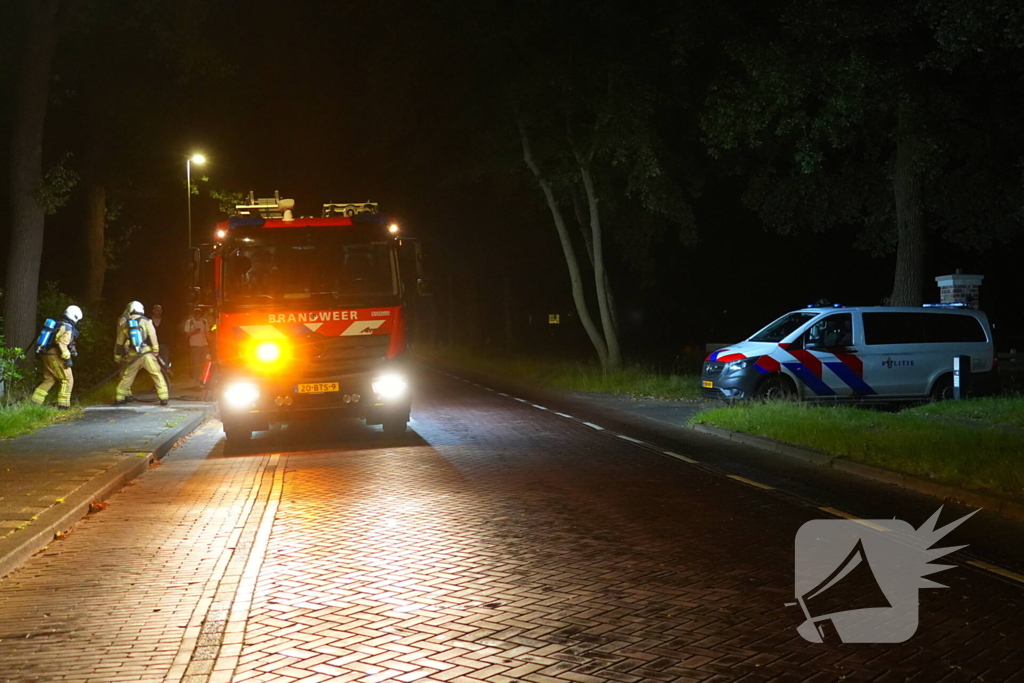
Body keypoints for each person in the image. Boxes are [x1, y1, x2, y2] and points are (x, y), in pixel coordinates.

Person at [114, 301, 169, 406]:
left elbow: (119, 343)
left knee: (127, 376)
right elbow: (152, 335)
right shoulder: (147, 321)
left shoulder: (125, 324)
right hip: (146, 354)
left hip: (133, 355)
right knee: (156, 374)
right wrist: (156, 349)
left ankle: (119, 397)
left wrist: (117, 357)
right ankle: (163, 397)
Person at [30, 305, 82, 410]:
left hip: (47, 355)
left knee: (49, 379)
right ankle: (63, 406)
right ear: (75, 317)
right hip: (55, 357)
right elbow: (62, 344)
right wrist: (68, 358)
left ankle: (34, 403)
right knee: (67, 379)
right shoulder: (67, 328)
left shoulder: (59, 324)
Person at [184, 308, 210, 388]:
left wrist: (211, 344)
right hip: (194, 346)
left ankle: (204, 381)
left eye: (199, 314)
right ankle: (197, 381)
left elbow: (207, 333)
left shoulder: (204, 322)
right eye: (196, 314)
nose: (198, 316)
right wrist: (194, 332)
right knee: (196, 365)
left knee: (204, 364)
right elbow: (186, 335)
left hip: (204, 346)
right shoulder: (190, 322)